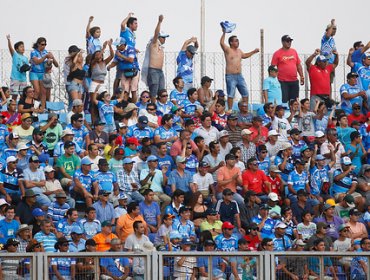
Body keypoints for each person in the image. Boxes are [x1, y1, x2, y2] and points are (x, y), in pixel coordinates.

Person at [220, 28, 259, 110]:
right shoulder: (228, 50)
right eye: (236, 40)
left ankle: (245, 108)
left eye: (238, 40)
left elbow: (244, 56)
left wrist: (253, 51)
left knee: (245, 93)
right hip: (230, 76)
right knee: (231, 94)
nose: (238, 42)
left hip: (239, 75)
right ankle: (230, 109)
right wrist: (224, 32)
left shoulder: (239, 51)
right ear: (231, 42)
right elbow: (221, 43)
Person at [271, 35, 304, 103]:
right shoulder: (277, 53)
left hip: (294, 81)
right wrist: (274, 80)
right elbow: (273, 67)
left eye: (290, 41)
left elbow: (298, 65)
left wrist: (301, 76)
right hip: (283, 82)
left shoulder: (294, 51)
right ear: (283, 42)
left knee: (294, 102)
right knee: (284, 101)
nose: (289, 42)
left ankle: (293, 113)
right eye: (287, 41)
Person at [147, 15, 169, 103]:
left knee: (162, 91)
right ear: (159, 37)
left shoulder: (161, 46)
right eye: (163, 37)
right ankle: (153, 106)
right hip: (153, 70)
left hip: (160, 71)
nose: (165, 39)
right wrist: (159, 22)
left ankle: (161, 106)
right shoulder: (154, 43)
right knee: (154, 90)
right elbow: (156, 34)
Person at [6, 35, 29, 99]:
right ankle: (12, 108)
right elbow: (10, 48)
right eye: (21, 47)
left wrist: (27, 68)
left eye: (23, 46)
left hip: (23, 79)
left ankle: (20, 108)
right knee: (14, 95)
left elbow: (27, 67)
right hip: (15, 78)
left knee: (23, 96)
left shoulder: (25, 58)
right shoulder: (15, 55)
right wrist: (8, 39)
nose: (23, 48)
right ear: (16, 49)